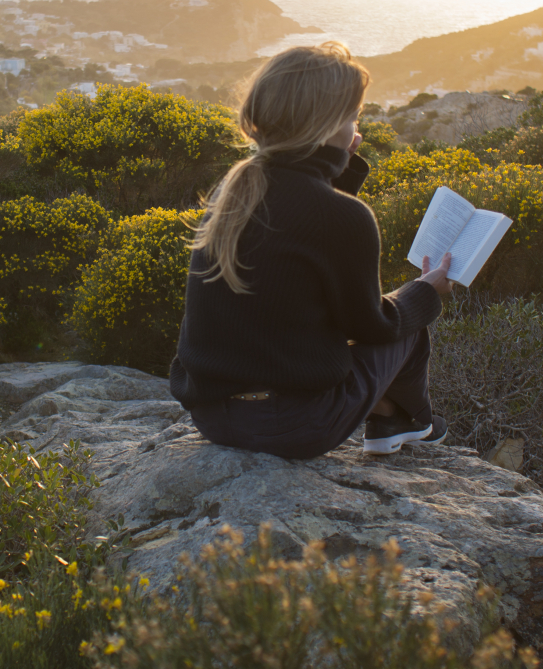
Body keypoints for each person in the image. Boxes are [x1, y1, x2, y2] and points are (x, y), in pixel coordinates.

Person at [169, 41, 455, 461]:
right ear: (326, 126)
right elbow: (371, 326)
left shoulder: (232, 193)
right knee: (412, 323)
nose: (356, 125)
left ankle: (394, 417)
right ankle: (404, 421)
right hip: (296, 426)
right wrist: (427, 291)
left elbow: (301, 224)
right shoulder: (344, 217)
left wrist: (338, 164)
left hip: (212, 418)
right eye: (352, 116)